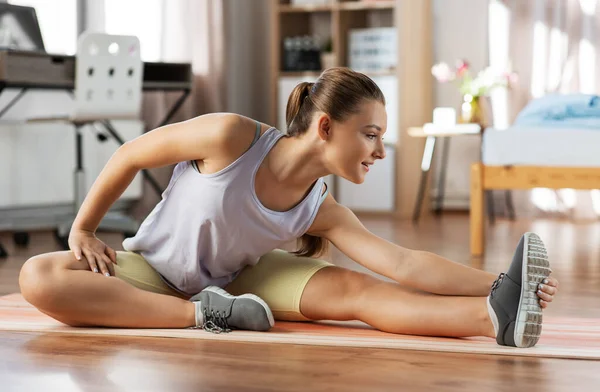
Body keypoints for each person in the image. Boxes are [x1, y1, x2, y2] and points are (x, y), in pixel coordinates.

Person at [19, 67, 558, 348]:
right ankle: (198, 316)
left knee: (357, 290)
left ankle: (494, 320)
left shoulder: (320, 207)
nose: (379, 150)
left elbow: (404, 264)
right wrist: (84, 228)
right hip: (154, 271)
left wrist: (500, 282)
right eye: (370, 134)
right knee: (38, 275)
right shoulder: (231, 136)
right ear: (325, 127)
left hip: (237, 280)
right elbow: (130, 153)